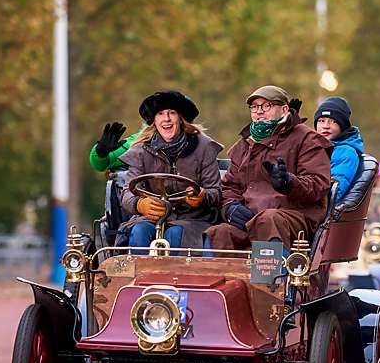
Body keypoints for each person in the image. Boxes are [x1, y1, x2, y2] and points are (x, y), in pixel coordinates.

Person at [206, 84, 331, 250]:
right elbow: (229, 187)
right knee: (218, 233)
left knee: (268, 220)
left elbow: (319, 184)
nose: (259, 111)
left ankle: (276, 276)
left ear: (284, 109)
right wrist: (230, 208)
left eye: (267, 106)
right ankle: (225, 276)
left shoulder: (306, 139)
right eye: (254, 107)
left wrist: (289, 183)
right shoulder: (243, 145)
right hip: (252, 218)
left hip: (294, 216)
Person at [118, 90, 221, 251]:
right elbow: (126, 194)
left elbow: (216, 192)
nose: (166, 119)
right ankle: (138, 276)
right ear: (154, 120)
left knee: (175, 233)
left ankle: (175, 276)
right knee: (139, 231)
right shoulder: (140, 150)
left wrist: (202, 196)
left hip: (193, 220)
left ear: (180, 119)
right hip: (150, 217)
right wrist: (140, 204)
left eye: (171, 113)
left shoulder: (204, 147)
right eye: (160, 114)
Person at [312, 96, 364, 202]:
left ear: (343, 126)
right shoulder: (312, 148)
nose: (326, 126)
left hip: (316, 207)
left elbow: (334, 192)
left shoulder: (346, 153)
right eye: (321, 121)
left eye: (332, 121)